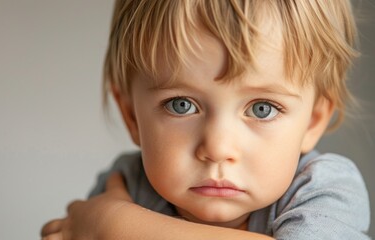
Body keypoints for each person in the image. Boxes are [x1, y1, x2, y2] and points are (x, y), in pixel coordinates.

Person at [41, 0, 371, 239]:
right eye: (181, 105)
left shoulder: (322, 191)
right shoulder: (126, 183)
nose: (217, 148)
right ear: (131, 116)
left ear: (313, 121)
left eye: (262, 108)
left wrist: (119, 226)